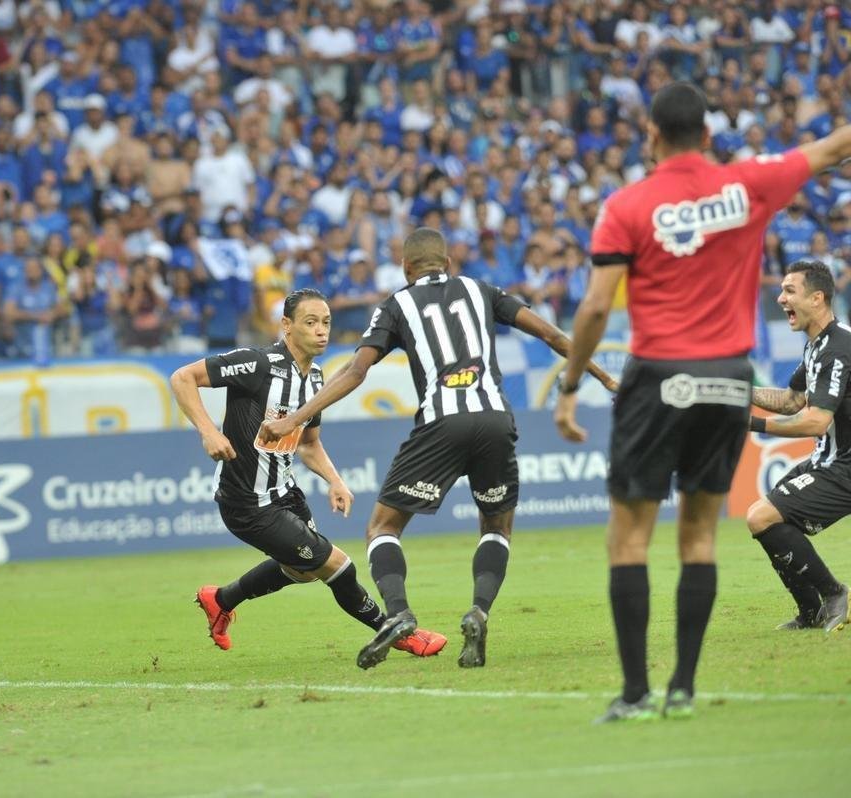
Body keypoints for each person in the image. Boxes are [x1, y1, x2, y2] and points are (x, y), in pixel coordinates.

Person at [552, 81, 851, 722]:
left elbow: (598, 305)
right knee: (700, 537)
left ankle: (636, 694)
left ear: (651, 136)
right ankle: (683, 690)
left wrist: (573, 384)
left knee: (628, 539)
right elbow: (832, 149)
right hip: (724, 380)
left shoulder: (626, 204)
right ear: (709, 137)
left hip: (659, 377)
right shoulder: (748, 184)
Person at [261, 229, 616, 670]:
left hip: (441, 424)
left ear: (407, 270)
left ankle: (399, 612)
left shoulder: (396, 304)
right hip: (494, 419)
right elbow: (550, 334)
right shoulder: (480, 289)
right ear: (447, 264)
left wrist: (293, 419)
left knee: (382, 528)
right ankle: (479, 611)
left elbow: (356, 371)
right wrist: (603, 377)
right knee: (496, 528)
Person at [170, 288, 447, 659]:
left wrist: (334, 480)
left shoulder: (316, 378)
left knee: (301, 571)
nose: (321, 331)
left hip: (285, 494)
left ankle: (220, 600)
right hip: (247, 504)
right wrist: (208, 431)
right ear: (286, 326)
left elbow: (308, 443)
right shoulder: (257, 363)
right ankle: (396, 633)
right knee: (336, 566)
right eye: (311, 322)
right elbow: (182, 377)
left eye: (326, 323)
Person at [744, 261, 849, 632]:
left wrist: (752, 423)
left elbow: (816, 420)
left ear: (817, 298)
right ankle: (810, 612)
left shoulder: (838, 348)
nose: (781, 297)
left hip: (846, 467)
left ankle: (835, 594)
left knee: (762, 516)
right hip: (829, 459)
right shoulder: (816, 346)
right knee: (766, 518)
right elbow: (790, 401)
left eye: (790, 290)